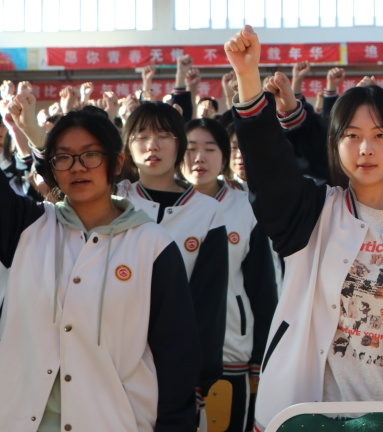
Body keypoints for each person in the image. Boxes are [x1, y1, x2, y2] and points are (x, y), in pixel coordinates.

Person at [224, 25, 383, 432]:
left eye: (380, 135)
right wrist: (247, 77)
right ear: (335, 145)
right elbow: (271, 168)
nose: (366, 149)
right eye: (352, 136)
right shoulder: (309, 213)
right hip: (308, 415)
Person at [1, 98, 199, 431]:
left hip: (115, 421)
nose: (77, 167)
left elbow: (176, 355)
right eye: (63, 157)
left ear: (116, 162)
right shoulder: (27, 228)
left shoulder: (152, 245)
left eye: (91, 154)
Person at [114, 101, 229, 409]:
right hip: (114, 361)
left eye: (164, 135)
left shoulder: (207, 212)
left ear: (179, 144)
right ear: (127, 146)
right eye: (141, 136)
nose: (153, 145)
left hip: (176, 364)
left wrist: (201, 375)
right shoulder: (114, 202)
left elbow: (209, 301)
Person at [183, 118, 278, 432]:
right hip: (169, 349)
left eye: (210, 149)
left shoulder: (244, 208)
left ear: (224, 157)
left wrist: (258, 360)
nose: (199, 157)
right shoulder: (155, 209)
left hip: (231, 352)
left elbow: (262, 290)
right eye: (191, 148)